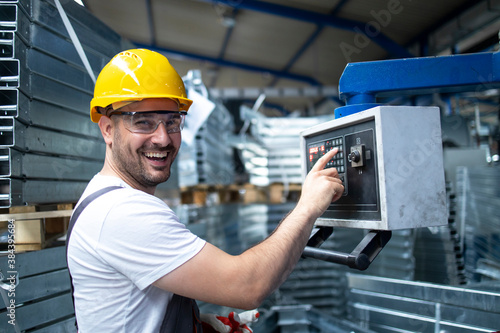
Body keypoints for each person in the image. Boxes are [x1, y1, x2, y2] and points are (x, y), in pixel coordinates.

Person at [66, 48, 344, 333]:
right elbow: (248, 286)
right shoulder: (122, 212)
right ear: (108, 129)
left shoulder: (106, 198)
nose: (163, 138)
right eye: (143, 122)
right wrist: (307, 206)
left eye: (172, 121)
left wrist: (196, 326)